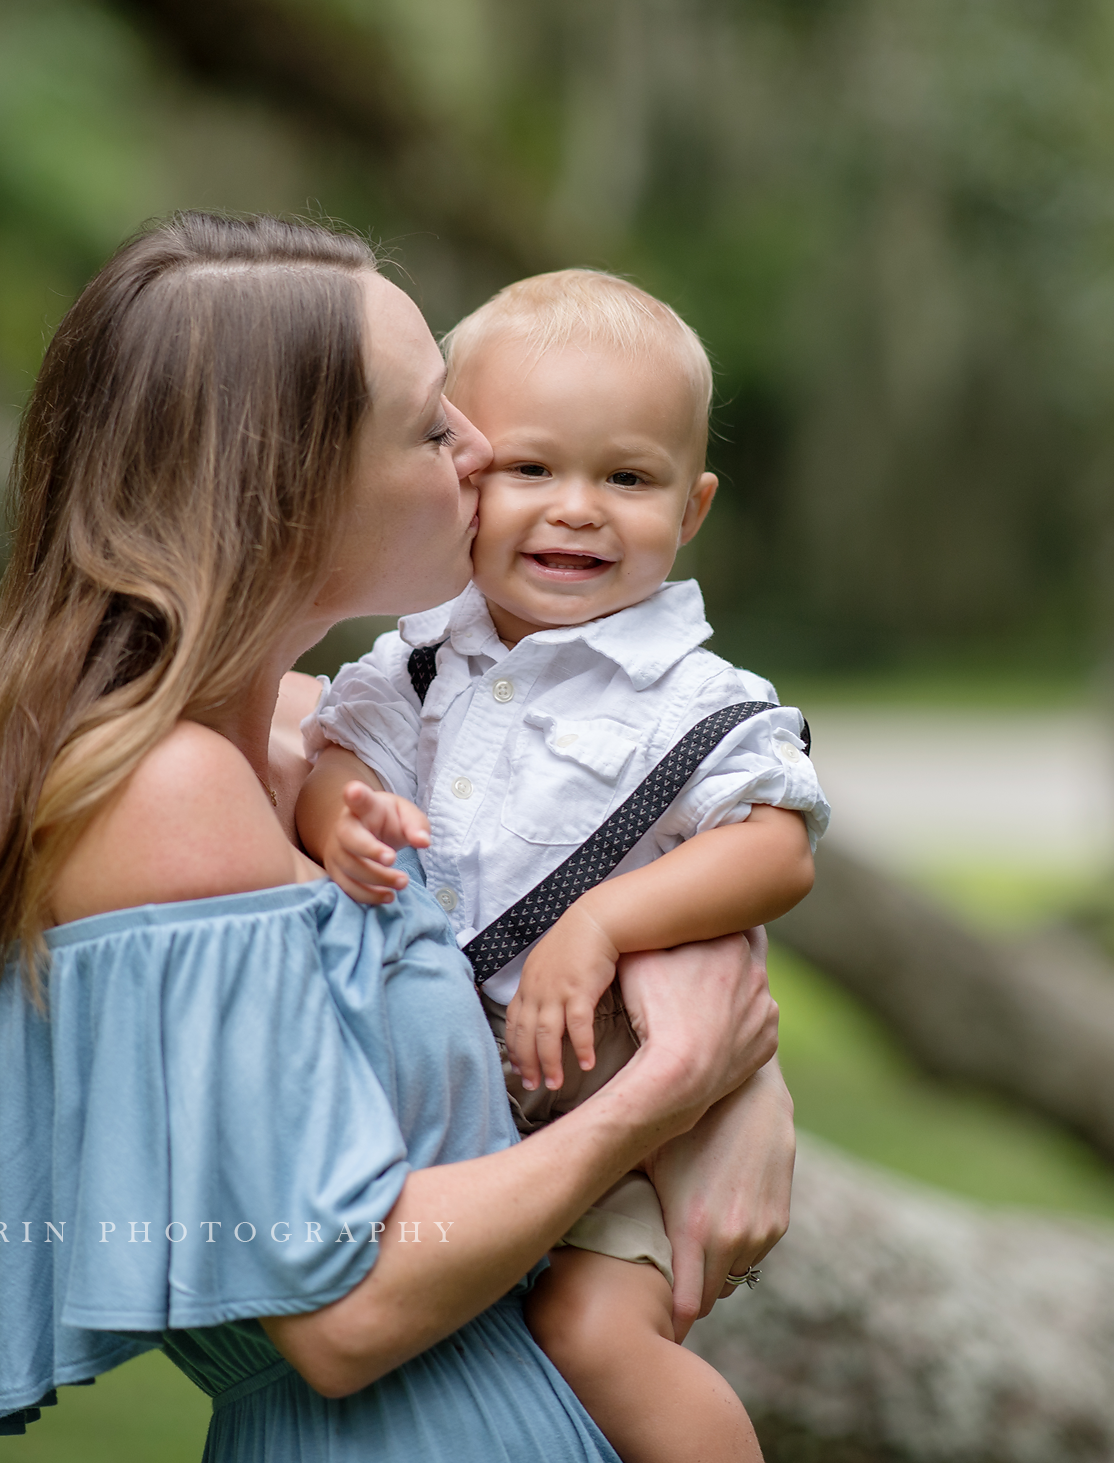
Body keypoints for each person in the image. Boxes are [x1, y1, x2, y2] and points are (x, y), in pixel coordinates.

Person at [0, 212, 791, 1461]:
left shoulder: (330, 744)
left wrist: (740, 1079)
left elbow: (614, 898)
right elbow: (342, 1308)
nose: (483, 451)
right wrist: (669, 1093)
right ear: (286, 487)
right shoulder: (167, 794)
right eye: (432, 424)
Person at [296, 270, 826, 1463]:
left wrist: (603, 920)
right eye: (531, 469)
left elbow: (775, 845)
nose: (576, 509)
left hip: (615, 1114)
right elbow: (336, 755)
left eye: (625, 478)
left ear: (689, 509)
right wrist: (340, 815)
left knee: (592, 1329)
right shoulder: (419, 663)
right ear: (462, 475)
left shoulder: (695, 698)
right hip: (452, 1120)